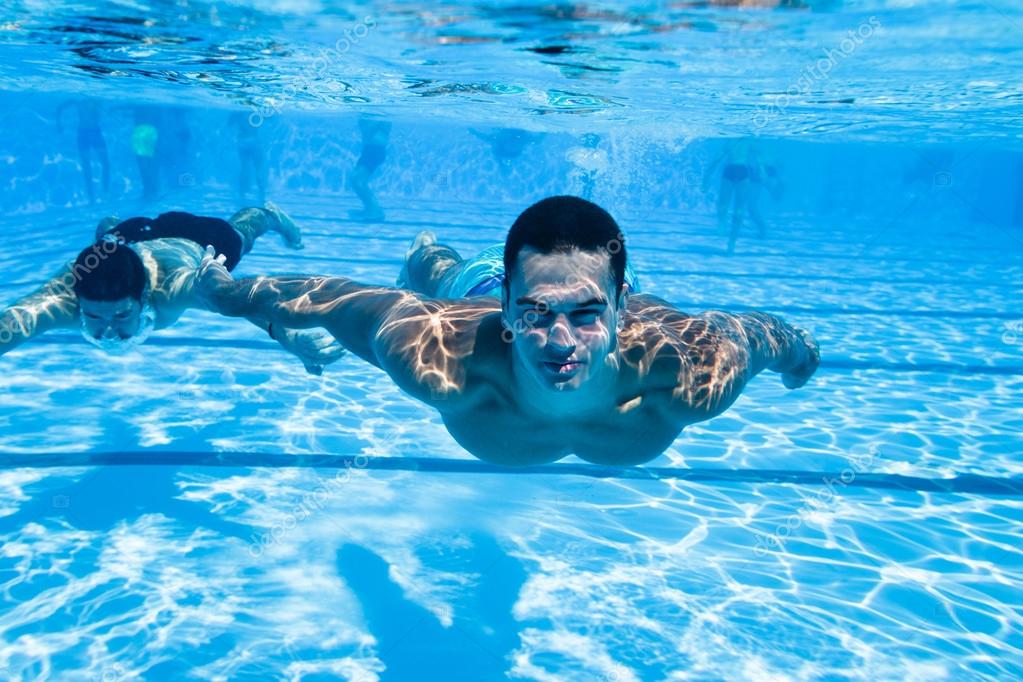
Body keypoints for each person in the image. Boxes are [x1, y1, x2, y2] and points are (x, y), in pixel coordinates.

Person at [196, 196, 820, 466]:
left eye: (584, 314)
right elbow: (335, 300)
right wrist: (225, 294)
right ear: (509, 301)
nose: (558, 342)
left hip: (620, 306)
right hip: (472, 296)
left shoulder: (688, 372)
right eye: (535, 312)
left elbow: (762, 334)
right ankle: (430, 253)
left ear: (618, 306)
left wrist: (802, 357)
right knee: (440, 276)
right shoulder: (438, 358)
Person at [0, 203, 341, 375]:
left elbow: (238, 302)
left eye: (121, 316)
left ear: (143, 298)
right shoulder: (67, 296)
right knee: (105, 245)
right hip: (129, 237)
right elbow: (12, 325)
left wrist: (291, 339)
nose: (108, 333)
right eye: (93, 317)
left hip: (196, 238)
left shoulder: (172, 289)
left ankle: (268, 214)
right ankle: (111, 228)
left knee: (242, 235)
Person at [703, 138, 769, 254]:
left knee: (725, 204)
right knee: (738, 209)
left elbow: (717, 158)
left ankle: (723, 224)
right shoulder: (748, 140)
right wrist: (762, 171)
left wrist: (706, 176)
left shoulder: (730, 139)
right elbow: (758, 157)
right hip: (742, 170)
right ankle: (731, 241)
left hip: (730, 170)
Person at [57, 99, 110, 204]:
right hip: (84, 133)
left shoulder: (95, 99)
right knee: (87, 166)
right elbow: (61, 106)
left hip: (95, 132)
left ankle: (105, 191)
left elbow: (102, 113)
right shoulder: (78, 100)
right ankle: (92, 197)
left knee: (105, 163)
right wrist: (58, 123)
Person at [348, 115, 392, 222]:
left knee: (358, 182)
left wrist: (368, 122)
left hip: (375, 151)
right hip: (369, 150)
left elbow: (375, 128)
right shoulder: (371, 115)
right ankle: (370, 208)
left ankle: (375, 211)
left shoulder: (382, 115)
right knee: (355, 180)